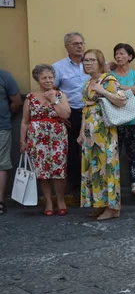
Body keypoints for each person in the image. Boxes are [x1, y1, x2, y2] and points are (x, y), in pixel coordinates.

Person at [78, 49, 126, 220]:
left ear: (99, 62)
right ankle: (99, 203)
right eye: (85, 60)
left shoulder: (108, 80)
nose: (88, 63)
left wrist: (103, 91)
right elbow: (86, 110)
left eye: (92, 60)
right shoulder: (86, 84)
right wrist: (81, 133)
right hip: (90, 133)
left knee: (107, 167)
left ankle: (113, 208)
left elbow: (121, 100)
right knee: (94, 168)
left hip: (104, 131)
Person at [20, 65, 71, 216]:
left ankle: (60, 199)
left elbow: (66, 114)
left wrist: (53, 100)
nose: (48, 80)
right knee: (42, 171)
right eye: (44, 78)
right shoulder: (30, 98)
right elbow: (24, 121)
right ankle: (48, 201)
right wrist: (22, 141)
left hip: (57, 137)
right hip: (37, 138)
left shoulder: (60, 95)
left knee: (59, 169)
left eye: (50, 77)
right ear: (38, 79)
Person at [53, 32, 90, 198]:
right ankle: (75, 185)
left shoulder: (90, 63)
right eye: (76, 44)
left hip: (91, 112)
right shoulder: (59, 67)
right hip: (71, 113)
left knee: (90, 148)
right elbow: (52, 91)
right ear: (67, 47)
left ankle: (90, 183)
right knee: (73, 150)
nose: (80, 46)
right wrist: (60, 113)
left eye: (82, 43)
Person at [110, 43, 135, 195]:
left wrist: (119, 87)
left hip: (132, 120)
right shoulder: (110, 74)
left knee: (134, 153)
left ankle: (134, 182)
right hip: (114, 119)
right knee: (113, 153)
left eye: (122, 53)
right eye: (116, 54)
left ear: (130, 57)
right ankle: (114, 183)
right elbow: (108, 89)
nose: (118, 56)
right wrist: (130, 89)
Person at [0, 69, 22, 215]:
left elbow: (16, 102)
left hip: (1, 126)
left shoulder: (4, 76)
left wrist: (5, 115)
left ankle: (0, 201)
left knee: (1, 163)